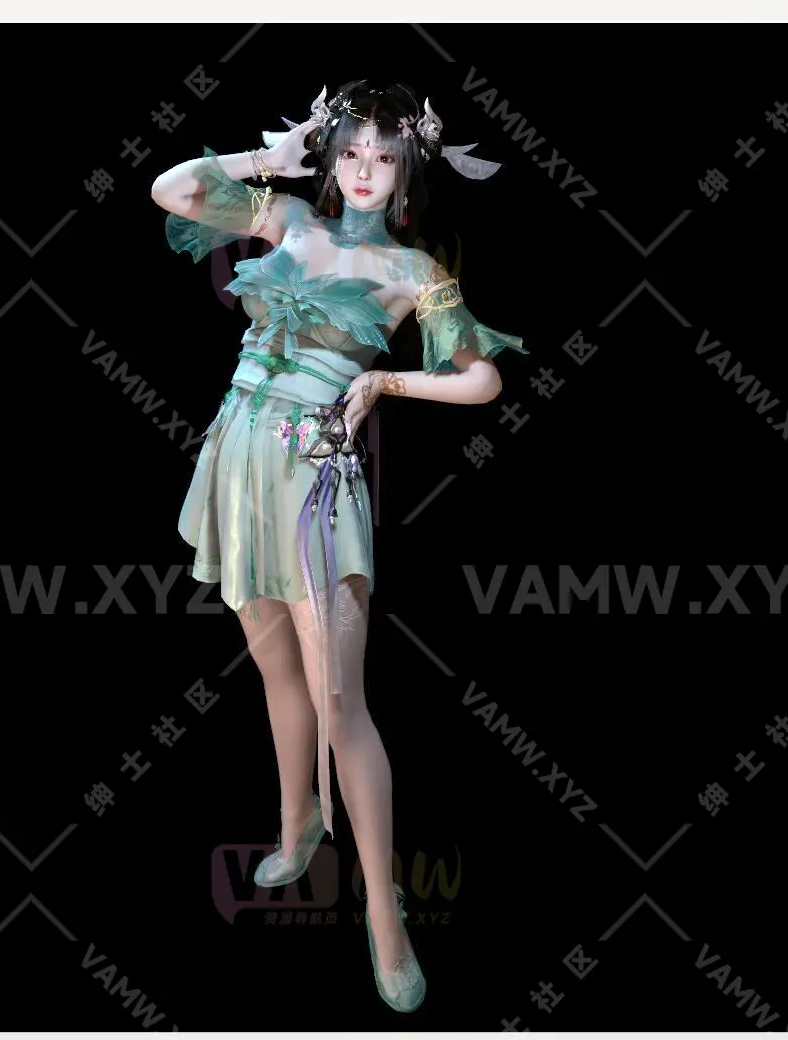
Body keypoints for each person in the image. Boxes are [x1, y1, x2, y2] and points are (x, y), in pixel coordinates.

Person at [151, 79, 525, 1013]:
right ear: (330, 155)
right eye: (350, 152)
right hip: (238, 461)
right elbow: (172, 191)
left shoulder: (414, 270)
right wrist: (263, 160)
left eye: (383, 158)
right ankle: (297, 822)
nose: (363, 171)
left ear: (406, 172)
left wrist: (387, 385)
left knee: (340, 701)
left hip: (313, 479)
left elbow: (481, 381)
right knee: (274, 667)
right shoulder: (285, 217)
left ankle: (385, 915)